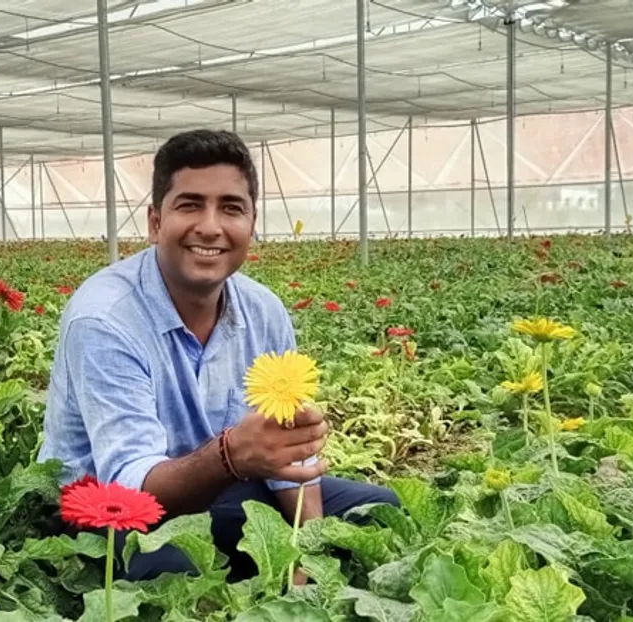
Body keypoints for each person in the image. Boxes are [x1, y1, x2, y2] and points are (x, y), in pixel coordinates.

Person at [37, 129, 398, 582]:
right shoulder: (105, 318)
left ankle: (263, 582)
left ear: (251, 223)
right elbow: (128, 484)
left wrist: (308, 551)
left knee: (380, 511)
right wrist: (232, 455)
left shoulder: (264, 311)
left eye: (231, 208)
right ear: (154, 222)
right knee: (169, 570)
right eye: (189, 204)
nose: (210, 226)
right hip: (108, 513)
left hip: (223, 489)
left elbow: (284, 454)